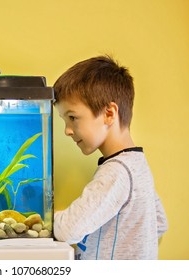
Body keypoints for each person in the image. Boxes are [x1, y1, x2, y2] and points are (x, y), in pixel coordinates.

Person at [53, 55, 168, 260]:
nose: (67, 131)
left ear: (109, 113)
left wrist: (46, 220)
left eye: (72, 117)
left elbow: (67, 230)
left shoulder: (117, 171)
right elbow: (159, 223)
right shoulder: (136, 165)